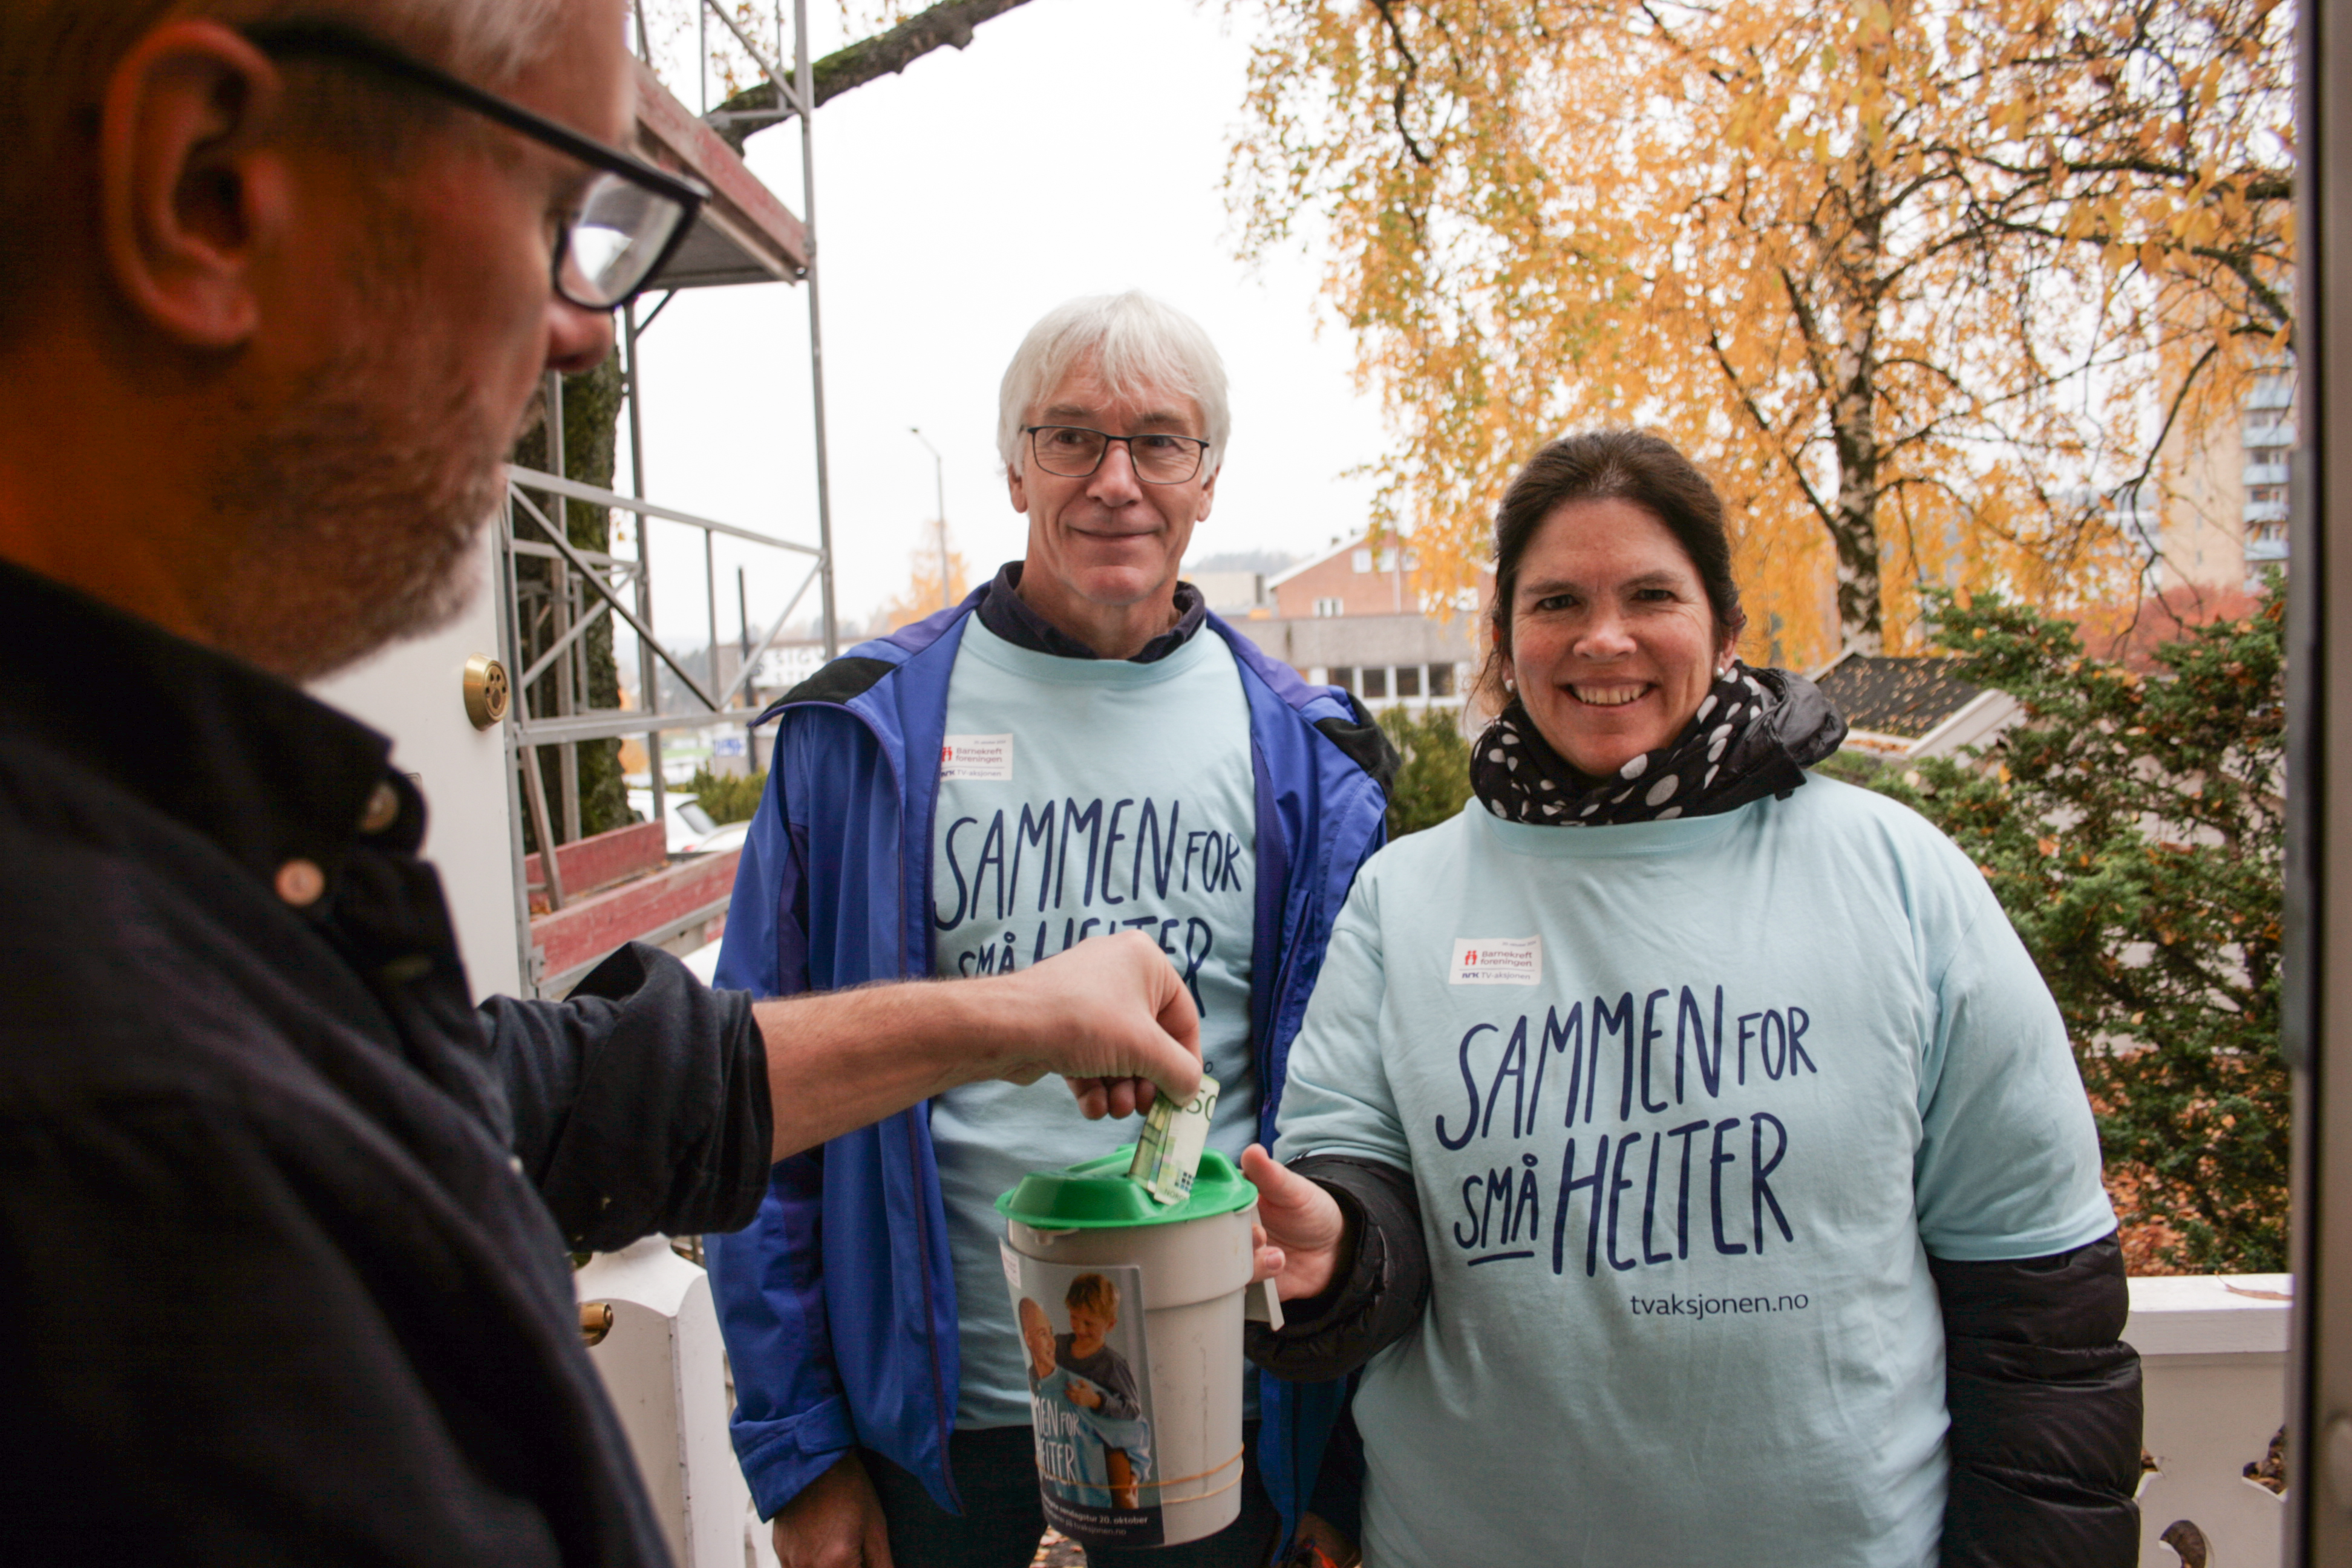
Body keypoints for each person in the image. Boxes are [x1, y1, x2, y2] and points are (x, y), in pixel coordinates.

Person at [0, 4, 1204, 1563]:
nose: (582, 326)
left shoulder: (197, 877)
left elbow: (550, 1093)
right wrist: (804, 1442)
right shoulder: (113, 1127)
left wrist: (1009, 1017)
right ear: (206, 187)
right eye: (559, 211)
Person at [1242, 430, 2144, 1567]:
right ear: (1504, 638)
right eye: (1557, 599)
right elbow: (1355, 1200)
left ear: (1724, 629)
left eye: (1650, 595)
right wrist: (1336, 1255)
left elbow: (2043, 1322)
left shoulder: (1901, 880)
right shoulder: (1405, 900)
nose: (1602, 638)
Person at [706, 292, 1394, 1568]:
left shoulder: (1313, 762)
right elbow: (750, 1109)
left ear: (1210, 479)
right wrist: (801, 1454)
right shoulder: (860, 742)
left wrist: (1337, 1468)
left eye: (1159, 443)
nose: (1115, 480)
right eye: (1071, 437)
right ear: (1015, 465)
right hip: (941, 1449)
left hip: (1227, 1418)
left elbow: (1366, 1129)